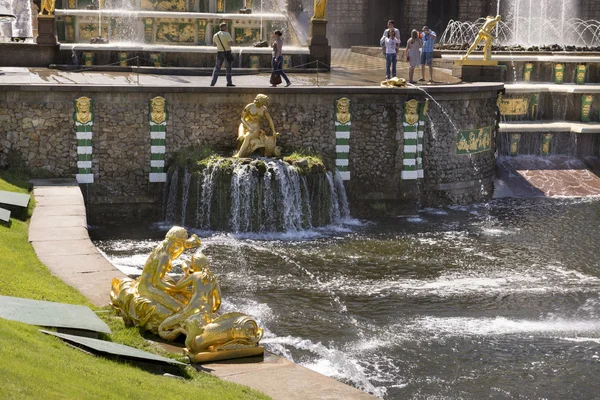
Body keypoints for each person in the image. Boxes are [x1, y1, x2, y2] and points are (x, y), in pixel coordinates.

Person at [137, 226, 201, 313]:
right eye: (184, 240)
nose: (185, 241)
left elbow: (173, 255)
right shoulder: (165, 256)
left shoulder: (163, 247)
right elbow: (157, 283)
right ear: (178, 241)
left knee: (181, 300)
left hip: (147, 283)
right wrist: (178, 289)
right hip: (148, 288)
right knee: (180, 309)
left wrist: (184, 246)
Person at [210, 22, 235, 87]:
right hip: (227, 52)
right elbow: (230, 44)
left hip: (219, 52)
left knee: (217, 68)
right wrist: (231, 43)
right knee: (228, 68)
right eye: (226, 27)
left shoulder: (215, 35)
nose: (226, 28)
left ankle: (213, 82)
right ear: (223, 27)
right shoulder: (227, 34)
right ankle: (229, 82)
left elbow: (214, 45)